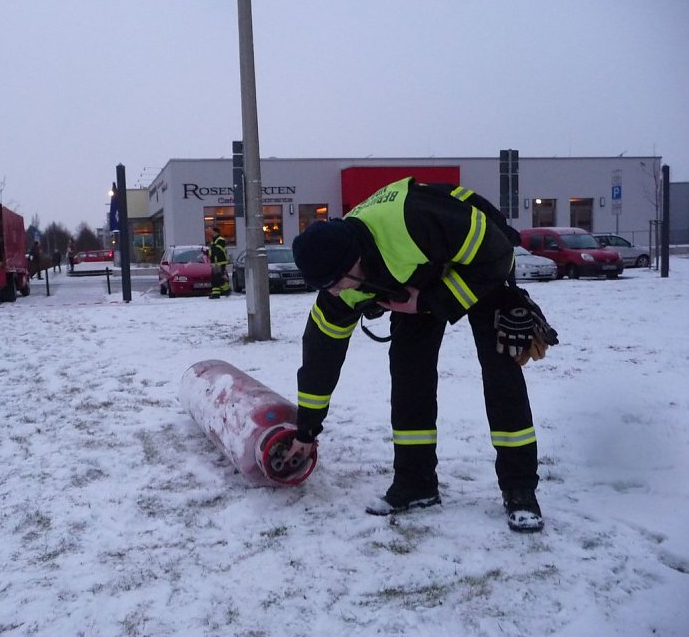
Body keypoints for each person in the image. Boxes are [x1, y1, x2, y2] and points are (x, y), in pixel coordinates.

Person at [285, 177, 558, 533]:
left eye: (335, 283)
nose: (334, 294)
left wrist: (430, 302)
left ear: (353, 261)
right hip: (420, 272)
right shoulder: (339, 285)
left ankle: (520, 489)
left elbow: (496, 253)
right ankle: (416, 483)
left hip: (481, 260)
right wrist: (307, 430)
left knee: (499, 370)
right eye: (325, 288)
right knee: (409, 371)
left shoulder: (412, 220)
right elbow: (320, 357)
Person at [208, 226, 231, 299]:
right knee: (214, 278)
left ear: (216, 232)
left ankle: (227, 289)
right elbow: (212, 251)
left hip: (220, 261)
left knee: (218, 277)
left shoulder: (220, 240)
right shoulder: (213, 241)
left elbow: (218, 250)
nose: (212, 233)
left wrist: (213, 247)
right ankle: (216, 293)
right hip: (214, 262)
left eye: (213, 232)